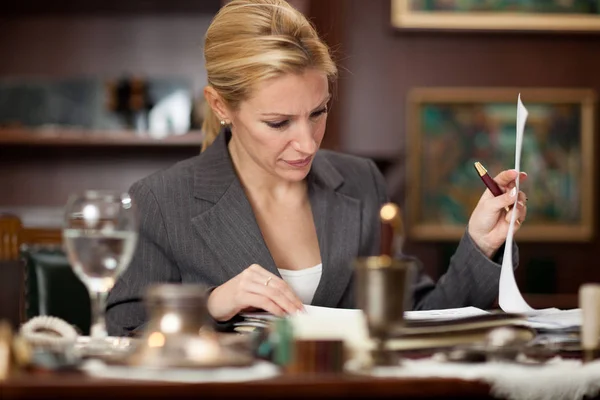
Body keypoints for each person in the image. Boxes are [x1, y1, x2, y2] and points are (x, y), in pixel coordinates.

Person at [105, 0, 528, 337]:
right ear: (221, 106)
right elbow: (122, 334)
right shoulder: (160, 200)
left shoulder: (361, 182)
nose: (307, 143)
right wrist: (213, 303)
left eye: (318, 112)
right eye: (278, 123)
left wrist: (480, 243)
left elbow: (415, 319)